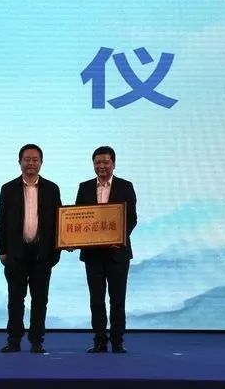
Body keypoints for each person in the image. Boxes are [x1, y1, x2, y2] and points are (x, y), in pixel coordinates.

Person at [0, 144, 63, 354]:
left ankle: (36, 341)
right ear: (20, 162)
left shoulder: (52, 189)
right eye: (27, 159)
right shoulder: (8, 189)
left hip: (42, 254)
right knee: (15, 300)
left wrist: (56, 253)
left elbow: (60, 222)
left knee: (40, 300)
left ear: (41, 163)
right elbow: (1, 222)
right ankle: (14, 341)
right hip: (16, 253)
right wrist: (2, 250)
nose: (31, 163)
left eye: (35, 159)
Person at [75, 145, 137, 353]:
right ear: (93, 164)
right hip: (92, 255)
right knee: (96, 300)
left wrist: (119, 237)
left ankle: (118, 341)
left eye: (106, 162)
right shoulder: (84, 187)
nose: (101, 166)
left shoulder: (125, 186)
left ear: (113, 164)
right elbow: (77, 217)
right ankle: (99, 341)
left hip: (117, 253)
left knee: (117, 299)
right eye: (97, 162)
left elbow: (131, 218)